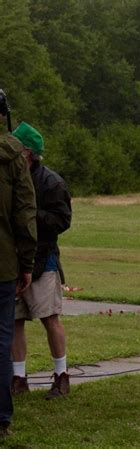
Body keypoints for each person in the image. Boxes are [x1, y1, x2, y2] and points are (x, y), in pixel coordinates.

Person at [10, 122, 72, 400]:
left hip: (43, 260)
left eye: (16, 147)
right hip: (11, 260)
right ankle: (18, 378)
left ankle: (61, 376)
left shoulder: (52, 182)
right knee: (14, 321)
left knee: (50, 318)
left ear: (29, 152)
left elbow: (62, 220)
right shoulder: (9, 177)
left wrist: (29, 213)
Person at [0, 113, 37, 437]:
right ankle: (1, 418)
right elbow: (24, 215)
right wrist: (26, 264)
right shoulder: (13, 156)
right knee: (2, 341)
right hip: (3, 264)